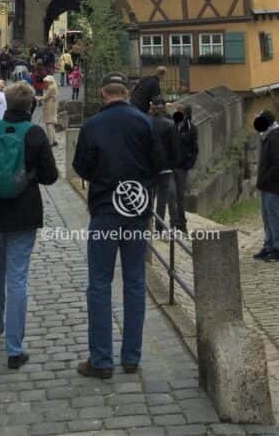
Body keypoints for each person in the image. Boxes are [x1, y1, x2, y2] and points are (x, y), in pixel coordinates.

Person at [72, 72, 163, 379]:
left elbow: (80, 167)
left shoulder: (92, 125)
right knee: (135, 282)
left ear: (103, 94)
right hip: (136, 212)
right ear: (126, 93)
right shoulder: (144, 123)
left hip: (105, 211)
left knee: (99, 284)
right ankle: (131, 357)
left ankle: (101, 360)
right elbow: (158, 164)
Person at [0, 82, 58, 365]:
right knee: (17, 277)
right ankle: (15, 349)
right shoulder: (35, 134)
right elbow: (50, 176)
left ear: (6, 103)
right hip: (23, 212)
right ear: (31, 105)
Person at [253, 110, 279, 263]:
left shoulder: (274, 139)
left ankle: (278, 249)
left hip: (272, 186)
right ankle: (268, 246)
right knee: (266, 218)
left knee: (273, 218)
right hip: (266, 186)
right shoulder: (267, 137)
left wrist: (265, 179)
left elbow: (277, 164)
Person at [149, 100, 179, 232]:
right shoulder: (170, 125)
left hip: (149, 166)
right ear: (163, 110)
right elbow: (174, 147)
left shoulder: (145, 123)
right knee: (162, 198)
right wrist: (173, 163)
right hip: (165, 166)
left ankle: (147, 224)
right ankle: (159, 227)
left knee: (149, 195)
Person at [172, 106, 199, 234]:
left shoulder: (191, 128)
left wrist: (189, 164)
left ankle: (181, 223)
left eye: (180, 112)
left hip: (182, 167)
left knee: (180, 195)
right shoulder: (171, 125)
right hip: (170, 165)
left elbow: (194, 148)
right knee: (170, 195)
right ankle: (173, 222)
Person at [42, 75, 59, 147]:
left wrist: (37, 98)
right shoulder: (53, 87)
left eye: (46, 82)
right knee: (51, 124)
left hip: (49, 106)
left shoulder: (51, 88)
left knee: (49, 123)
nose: (45, 83)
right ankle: (53, 140)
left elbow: (45, 97)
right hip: (52, 106)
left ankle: (50, 142)